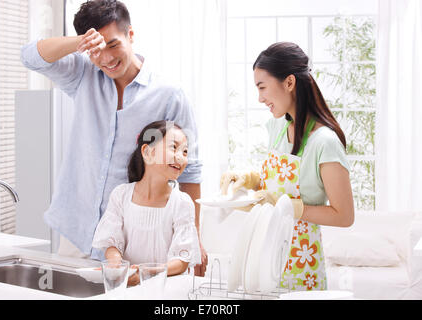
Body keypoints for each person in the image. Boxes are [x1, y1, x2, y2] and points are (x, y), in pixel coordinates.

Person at [20, 0, 207, 275]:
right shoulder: (83, 75)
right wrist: (79, 44)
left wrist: (194, 240)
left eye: (113, 44)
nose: (106, 58)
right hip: (76, 229)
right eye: (96, 49)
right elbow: (29, 57)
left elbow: (190, 170)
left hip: (130, 237)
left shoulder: (169, 94)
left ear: (130, 35)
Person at [220, 42, 354, 291]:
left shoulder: (325, 142)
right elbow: (274, 187)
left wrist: (291, 208)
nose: (260, 98)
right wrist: (250, 179)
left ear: (289, 82)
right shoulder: (277, 127)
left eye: (262, 87)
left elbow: (344, 215)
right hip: (265, 258)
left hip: (302, 265)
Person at [92, 120, 201, 286]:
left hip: (165, 291)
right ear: (147, 152)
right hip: (128, 290)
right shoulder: (121, 195)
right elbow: (111, 242)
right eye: (173, 147)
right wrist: (116, 264)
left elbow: (182, 260)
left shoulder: (181, 202)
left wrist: (148, 273)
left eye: (185, 152)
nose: (181, 157)